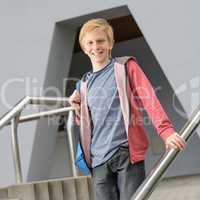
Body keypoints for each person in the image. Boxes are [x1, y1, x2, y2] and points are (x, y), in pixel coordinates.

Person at [69, 18, 186, 200]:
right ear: (84, 48)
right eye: (90, 42)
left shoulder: (125, 67)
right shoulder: (83, 84)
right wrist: (77, 109)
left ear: (110, 43)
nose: (96, 46)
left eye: (100, 40)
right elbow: (87, 125)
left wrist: (166, 132)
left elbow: (150, 100)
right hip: (98, 161)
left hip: (126, 153)